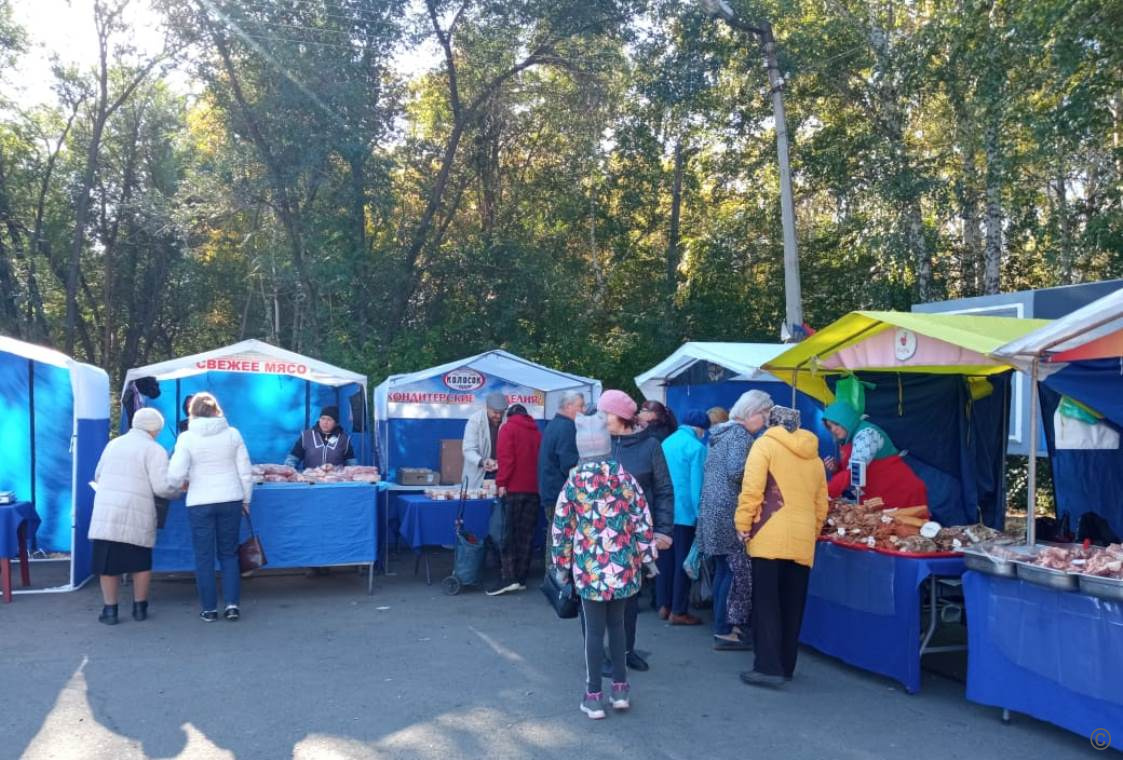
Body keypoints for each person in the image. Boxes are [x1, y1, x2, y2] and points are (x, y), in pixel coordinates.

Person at [552, 412, 654, 719]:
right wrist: (648, 557)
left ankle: (593, 696)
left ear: (582, 447)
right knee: (618, 626)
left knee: (594, 633)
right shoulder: (625, 478)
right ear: (608, 445)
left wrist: (561, 565)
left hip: (589, 569)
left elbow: (562, 528)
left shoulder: (574, 483)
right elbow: (642, 519)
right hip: (623, 566)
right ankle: (621, 690)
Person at [734, 405, 829, 687]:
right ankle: (787, 665)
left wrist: (743, 523)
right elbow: (821, 502)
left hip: (768, 534)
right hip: (801, 540)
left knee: (766, 603)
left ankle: (767, 667)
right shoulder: (814, 457)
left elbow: (752, 488)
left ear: (770, 422)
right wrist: (811, 531)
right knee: (792, 603)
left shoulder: (764, 446)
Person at [599, 389, 674, 672]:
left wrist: (663, 530)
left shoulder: (650, 446)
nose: (600, 417)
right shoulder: (598, 441)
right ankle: (603, 654)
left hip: (634, 536)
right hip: (600, 534)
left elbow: (664, 490)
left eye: (604, 412)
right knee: (600, 597)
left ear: (620, 416)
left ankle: (626, 649)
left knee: (629, 597)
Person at [88, 408, 181, 625]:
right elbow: (162, 487)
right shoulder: (154, 449)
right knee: (140, 561)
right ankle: (140, 608)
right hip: (137, 510)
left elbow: (98, 474)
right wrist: (176, 490)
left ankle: (110, 610)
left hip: (108, 510)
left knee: (107, 564)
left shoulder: (114, 444)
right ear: (155, 429)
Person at [697, 390, 773, 650]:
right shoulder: (741, 436)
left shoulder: (720, 433)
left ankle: (722, 625)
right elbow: (737, 471)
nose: (765, 422)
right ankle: (724, 629)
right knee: (730, 572)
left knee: (722, 570)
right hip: (729, 509)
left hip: (712, 509)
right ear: (753, 414)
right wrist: (763, 474)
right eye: (764, 415)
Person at [168, 392, 253, 623]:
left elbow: (175, 475)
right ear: (217, 409)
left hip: (199, 501)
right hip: (231, 498)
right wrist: (246, 499)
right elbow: (245, 471)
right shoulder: (233, 434)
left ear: (191, 411)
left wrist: (179, 484)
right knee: (229, 553)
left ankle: (209, 609)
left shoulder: (186, 438)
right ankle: (232, 605)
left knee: (204, 556)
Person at [821, 400, 928, 513]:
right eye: (830, 426)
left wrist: (824, 494)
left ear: (846, 420)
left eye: (837, 424)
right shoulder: (848, 438)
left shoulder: (866, 434)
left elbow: (853, 472)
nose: (833, 429)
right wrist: (837, 469)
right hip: (877, 499)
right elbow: (854, 475)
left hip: (901, 494)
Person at [657, 408, 710, 625]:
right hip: (686, 514)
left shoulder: (666, 443)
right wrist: (701, 515)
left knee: (665, 561)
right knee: (685, 563)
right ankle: (678, 610)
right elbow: (697, 484)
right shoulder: (697, 448)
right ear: (700, 429)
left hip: (665, 512)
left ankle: (664, 604)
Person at [488, 404, 543, 596]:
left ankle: (508, 577)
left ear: (509, 415)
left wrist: (501, 482)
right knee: (526, 535)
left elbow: (506, 459)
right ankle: (521, 578)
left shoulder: (508, 428)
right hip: (534, 489)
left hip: (514, 488)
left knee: (508, 533)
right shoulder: (536, 432)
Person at [537, 390, 585, 528]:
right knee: (561, 540)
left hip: (550, 491)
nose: (584, 410)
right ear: (569, 406)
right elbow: (569, 464)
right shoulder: (567, 427)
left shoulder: (553, 424)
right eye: (581, 406)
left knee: (554, 537)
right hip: (560, 494)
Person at [284, 406, 356, 470]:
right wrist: (289, 471)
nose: (325, 422)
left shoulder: (344, 439)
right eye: (323, 418)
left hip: (335, 482)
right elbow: (292, 460)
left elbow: (352, 465)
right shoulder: (306, 436)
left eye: (329, 419)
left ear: (336, 423)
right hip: (310, 481)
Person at [462, 392, 507, 489]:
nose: (499, 416)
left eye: (501, 412)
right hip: (478, 473)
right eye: (495, 412)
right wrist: (482, 462)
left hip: (502, 472)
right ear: (487, 408)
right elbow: (468, 449)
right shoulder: (475, 421)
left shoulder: (508, 420)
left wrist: (503, 462)